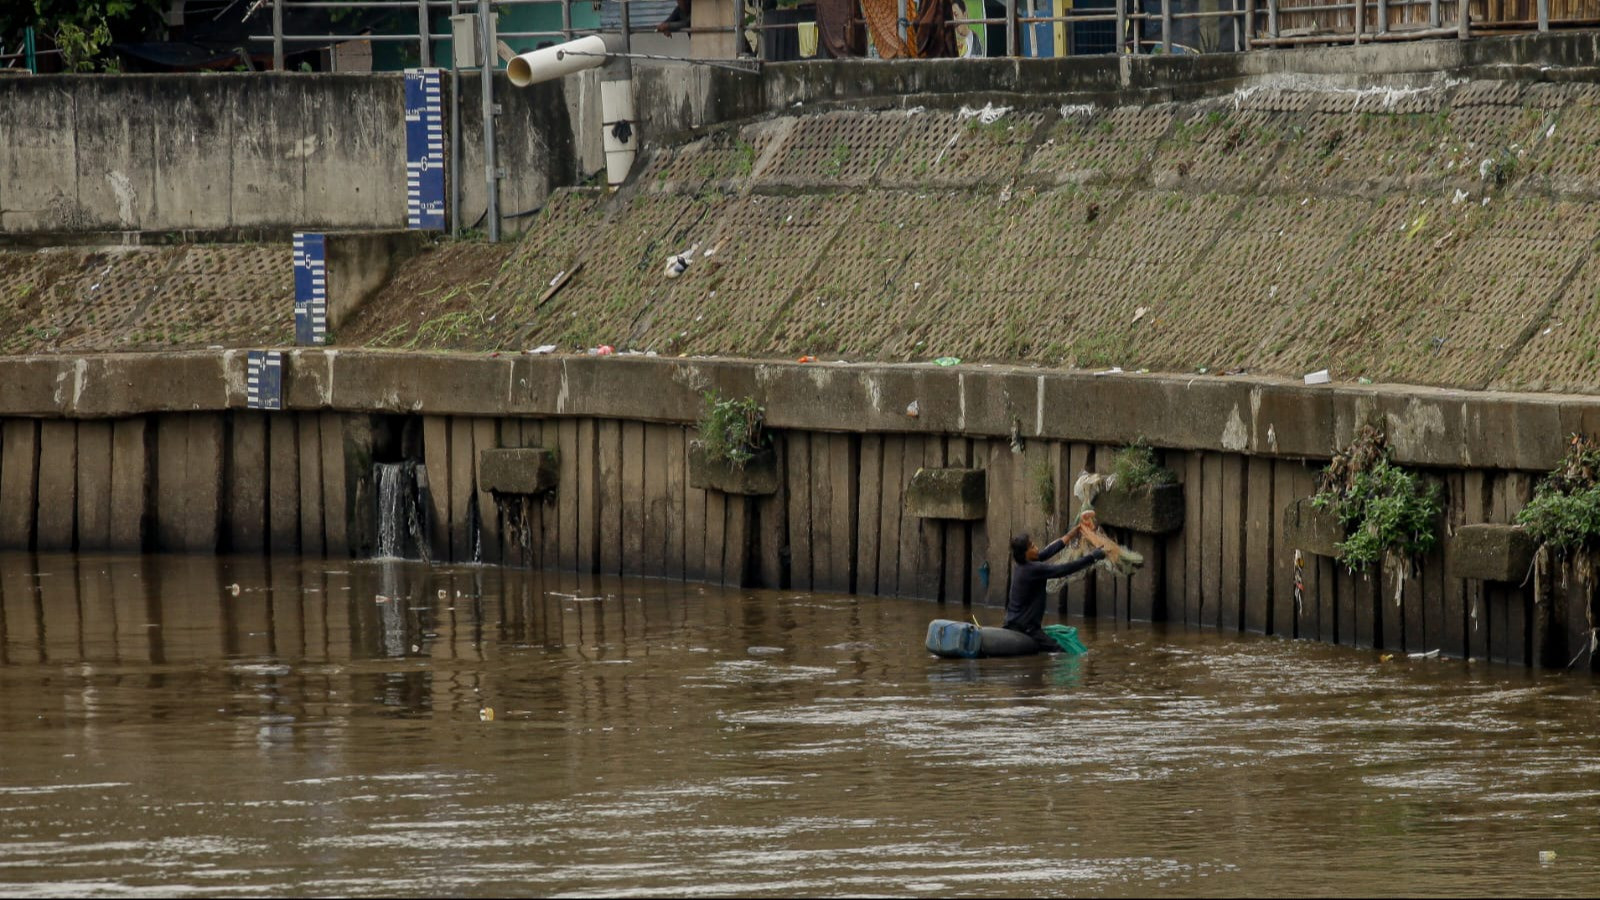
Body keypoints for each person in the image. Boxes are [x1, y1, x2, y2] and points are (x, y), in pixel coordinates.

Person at [1004, 532, 1104, 652]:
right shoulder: (1034, 569)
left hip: (1013, 622)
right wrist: (1092, 557)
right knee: (1061, 652)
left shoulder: (1022, 565)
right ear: (1025, 554)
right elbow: (1063, 569)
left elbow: (1048, 551)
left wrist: (1074, 532)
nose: (1036, 548)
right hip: (1026, 628)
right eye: (1032, 547)